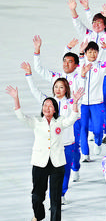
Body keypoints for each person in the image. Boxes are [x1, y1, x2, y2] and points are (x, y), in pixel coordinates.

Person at [5, 84, 83, 221]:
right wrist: (16, 99)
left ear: (55, 110)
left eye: (50, 106)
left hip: (57, 164)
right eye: (45, 105)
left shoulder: (59, 121)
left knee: (55, 198)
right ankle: (38, 216)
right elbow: (21, 117)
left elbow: (72, 118)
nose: (47, 108)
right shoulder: (36, 121)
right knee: (37, 196)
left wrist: (75, 102)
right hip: (40, 163)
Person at [21, 63, 79, 203]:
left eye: (61, 87)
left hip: (67, 144)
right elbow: (35, 91)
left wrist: (76, 102)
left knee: (65, 172)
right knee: (51, 173)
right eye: (56, 87)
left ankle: (61, 194)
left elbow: (75, 115)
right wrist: (29, 75)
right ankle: (53, 197)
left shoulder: (71, 102)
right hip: (52, 146)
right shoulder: (48, 103)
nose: (58, 89)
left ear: (66, 89)